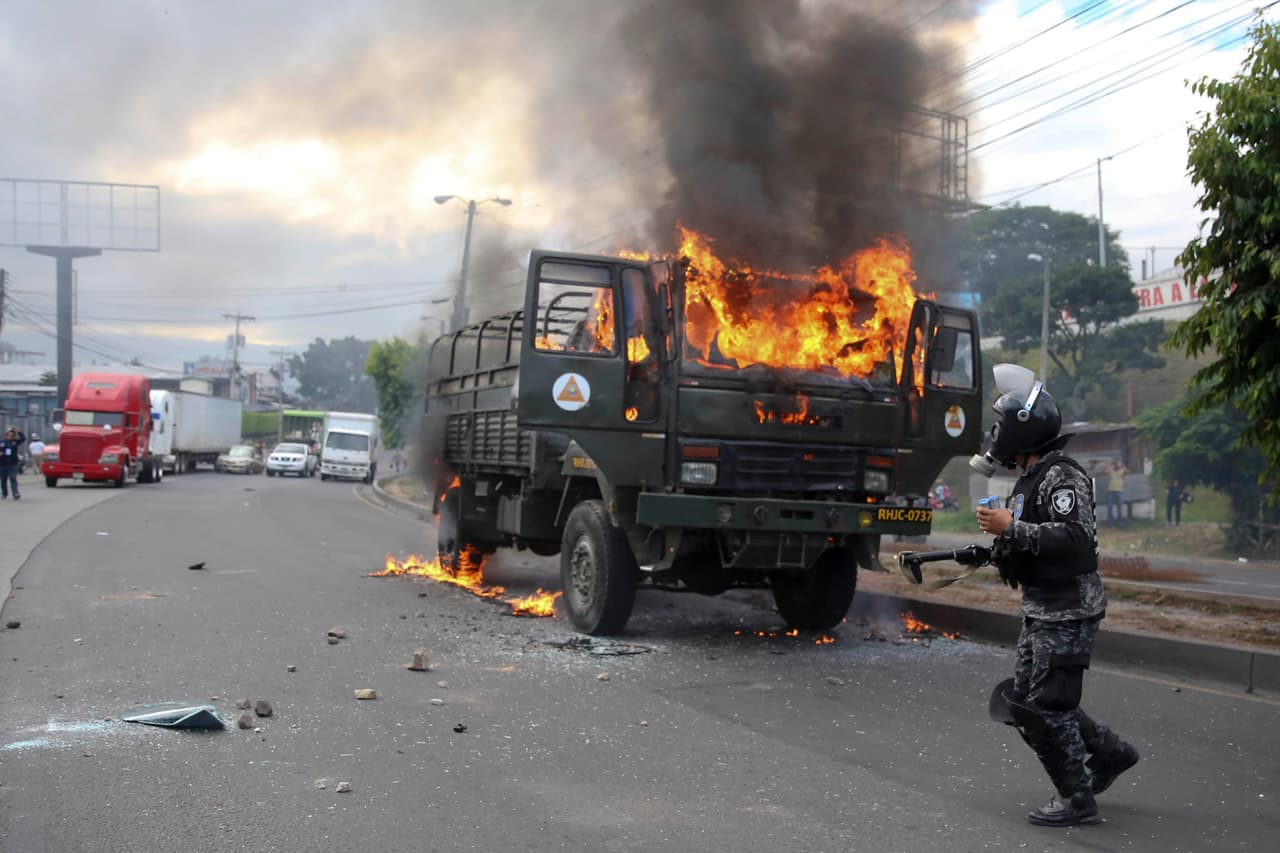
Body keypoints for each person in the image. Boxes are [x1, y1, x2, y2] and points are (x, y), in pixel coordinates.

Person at [974, 375, 1139, 827]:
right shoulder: (1030, 479)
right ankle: (1111, 753)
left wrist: (1011, 527)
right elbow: (1027, 540)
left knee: (1046, 706)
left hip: (1069, 608)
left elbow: (1075, 539)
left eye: (1001, 425)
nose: (996, 435)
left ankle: (1077, 799)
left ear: (1022, 428)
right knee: (1027, 700)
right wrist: (994, 547)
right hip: (1041, 606)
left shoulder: (1061, 475)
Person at [1, 426, 25, 500]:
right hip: (3, 463)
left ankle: (15, 493)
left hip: (13, 463)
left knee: (13, 478)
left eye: (12, 435)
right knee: (3, 479)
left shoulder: (15, 442)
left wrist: (18, 432)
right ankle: (4, 493)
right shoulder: (2, 442)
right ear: (6, 435)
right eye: (9, 435)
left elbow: (23, 438)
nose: (10, 437)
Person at [1104, 460, 1128, 527]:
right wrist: (1109, 464)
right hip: (1110, 491)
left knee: (1119, 508)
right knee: (1109, 508)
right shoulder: (1111, 470)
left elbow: (1127, 472)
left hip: (1119, 491)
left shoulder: (1122, 471)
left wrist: (1122, 465)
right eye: (1116, 464)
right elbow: (1105, 471)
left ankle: (1120, 523)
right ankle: (1110, 523)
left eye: (1118, 464)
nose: (1117, 465)